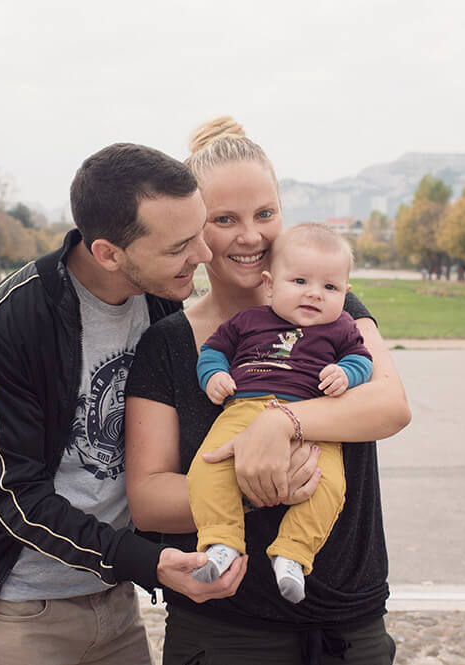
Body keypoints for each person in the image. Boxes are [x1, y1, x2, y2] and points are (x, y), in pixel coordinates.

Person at [0, 143, 247, 665]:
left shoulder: (163, 302)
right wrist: (144, 561)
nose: (202, 253)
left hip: (118, 600)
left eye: (200, 231)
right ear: (108, 252)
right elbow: (13, 493)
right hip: (23, 611)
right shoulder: (12, 322)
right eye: (179, 246)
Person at [125, 117, 411, 665]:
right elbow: (148, 498)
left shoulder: (330, 308)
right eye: (223, 219)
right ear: (194, 228)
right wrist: (257, 479)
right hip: (226, 628)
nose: (250, 236)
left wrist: (281, 424)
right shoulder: (169, 343)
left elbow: (390, 404)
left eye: (265, 214)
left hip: (348, 622)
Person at [189, 223, 374, 606]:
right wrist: (215, 375)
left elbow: (362, 360)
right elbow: (213, 350)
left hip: (314, 419)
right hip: (245, 409)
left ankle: (293, 554)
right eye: (300, 281)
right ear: (270, 284)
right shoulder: (249, 320)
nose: (313, 294)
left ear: (346, 294)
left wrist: (346, 372)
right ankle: (221, 540)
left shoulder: (341, 327)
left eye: (330, 287)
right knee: (206, 468)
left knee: (330, 486)